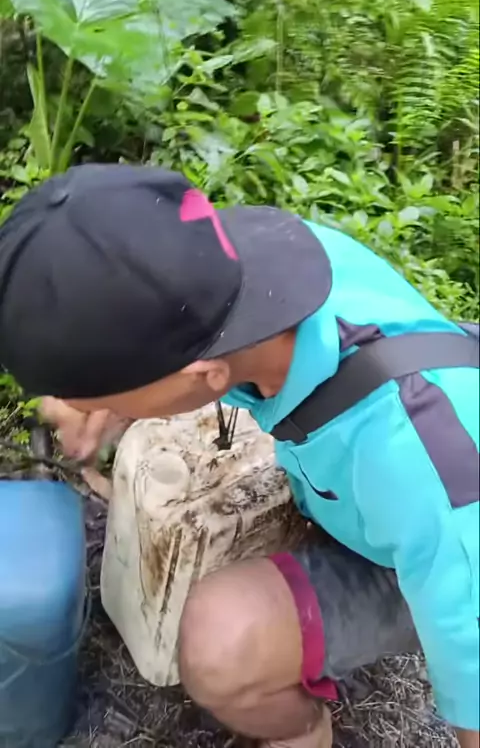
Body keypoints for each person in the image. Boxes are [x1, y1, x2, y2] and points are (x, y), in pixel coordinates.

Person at [0, 164, 478, 748]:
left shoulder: (426, 466)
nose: (82, 411)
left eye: (101, 402)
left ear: (203, 375)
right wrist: (114, 394)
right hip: (379, 504)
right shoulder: (234, 280)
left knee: (224, 643)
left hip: (449, 549)